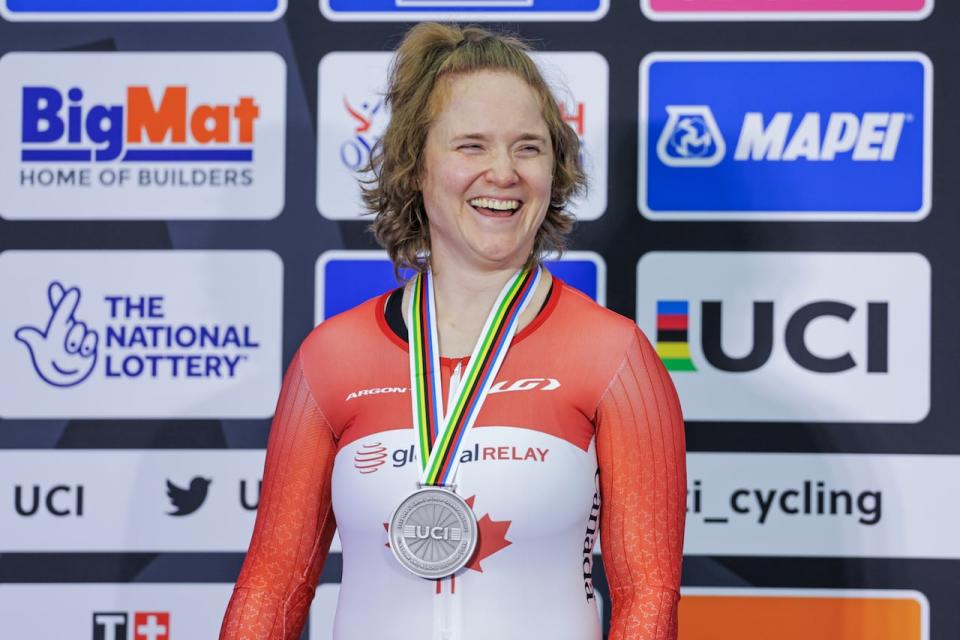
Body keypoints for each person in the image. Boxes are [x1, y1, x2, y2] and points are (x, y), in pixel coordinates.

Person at [220, 22, 686, 640]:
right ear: (416, 167)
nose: (503, 172)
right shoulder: (332, 356)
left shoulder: (612, 355)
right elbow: (271, 589)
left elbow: (648, 603)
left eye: (528, 147)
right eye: (471, 146)